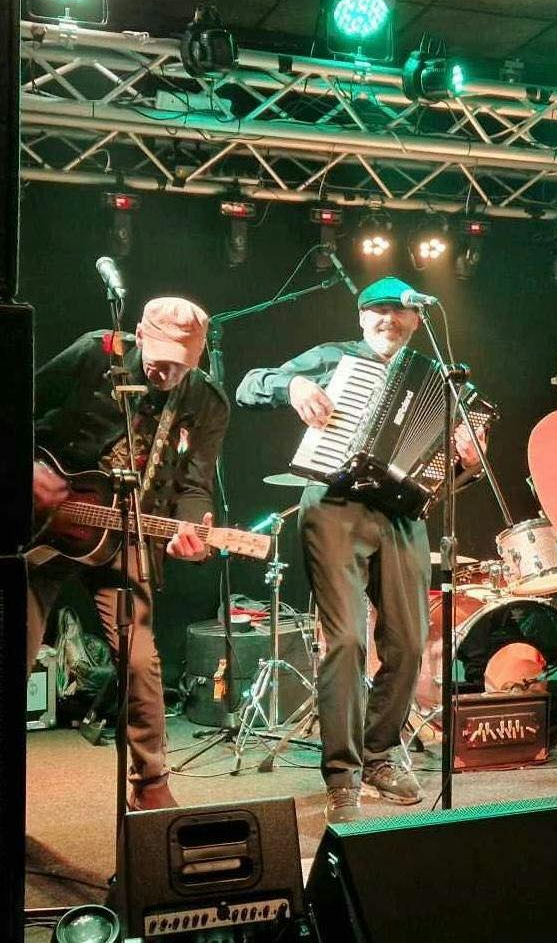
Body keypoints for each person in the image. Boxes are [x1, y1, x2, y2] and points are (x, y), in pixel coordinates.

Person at [235, 276, 483, 823]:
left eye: (399, 311)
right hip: (334, 506)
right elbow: (249, 385)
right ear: (361, 317)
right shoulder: (333, 358)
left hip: (402, 514)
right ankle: (341, 775)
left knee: (410, 642)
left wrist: (466, 459)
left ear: (416, 319)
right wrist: (294, 386)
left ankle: (380, 754)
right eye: (377, 311)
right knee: (347, 640)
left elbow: (444, 477)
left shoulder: (439, 379)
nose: (388, 319)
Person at [28, 297, 226, 810]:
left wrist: (192, 526)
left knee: (140, 659)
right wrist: (29, 468)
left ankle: (151, 783)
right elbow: (17, 404)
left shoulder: (205, 401)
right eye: (159, 359)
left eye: (181, 364)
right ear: (139, 334)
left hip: (123, 530)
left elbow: (195, 484)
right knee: (14, 651)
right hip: (41, 521)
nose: (166, 373)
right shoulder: (97, 354)